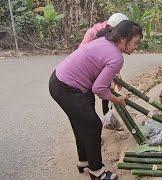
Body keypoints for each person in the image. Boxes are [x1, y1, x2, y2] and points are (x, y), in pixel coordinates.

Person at [49, 20, 142, 180]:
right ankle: (97, 171)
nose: (136, 47)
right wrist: (117, 99)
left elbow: (98, 66)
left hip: (58, 80)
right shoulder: (117, 57)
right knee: (93, 126)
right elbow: (99, 89)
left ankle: (84, 160)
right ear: (123, 39)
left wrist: (113, 77)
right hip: (67, 87)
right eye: (135, 42)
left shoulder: (105, 40)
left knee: (81, 123)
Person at [79, 13, 129, 116]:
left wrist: (115, 73)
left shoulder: (114, 36)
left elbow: (112, 56)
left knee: (107, 89)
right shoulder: (92, 33)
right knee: (90, 97)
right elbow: (81, 52)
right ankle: (91, 117)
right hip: (88, 71)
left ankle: (108, 116)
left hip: (101, 67)